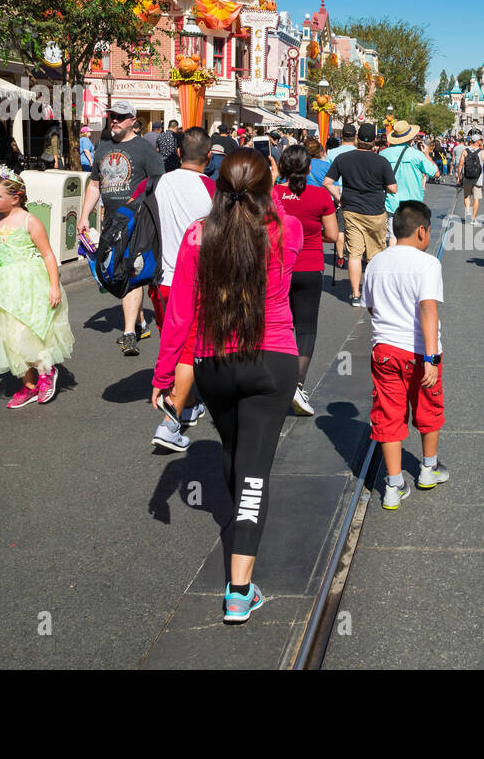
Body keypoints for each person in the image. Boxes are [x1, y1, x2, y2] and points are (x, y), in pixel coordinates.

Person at [152, 150, 303, 624]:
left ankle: (240, 521)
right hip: (272, 359)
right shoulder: (287, 230)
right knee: (256, 468)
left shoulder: (199, 235)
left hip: (213, 361)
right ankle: (239, 590)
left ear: (217, 187)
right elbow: (277, 232)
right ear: (264, 188)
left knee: (234, 448)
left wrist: (163, 380)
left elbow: (179, 314)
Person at [0, 166, 74, 409]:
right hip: (4, 288)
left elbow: (48, 255)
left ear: (16, 197)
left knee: (31, 332)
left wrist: (54, 286)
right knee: (11, 337)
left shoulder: (29, 221)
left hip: (30, 285)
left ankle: (46, 374)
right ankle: (29, 385)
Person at [362, 200, 446, 509]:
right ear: (422, 231)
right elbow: (428, 309)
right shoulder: (427, 264)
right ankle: (428, 469)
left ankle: (394, 485)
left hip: (384, 350)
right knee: (429, 408)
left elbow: (371, 307)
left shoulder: (377, 262)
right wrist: (432, 358)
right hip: (419, 352)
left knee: (388, 414)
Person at [147, 128, 216, 452]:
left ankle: (186, 402)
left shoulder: (159, 183)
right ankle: (171, 419)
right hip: (196, 280)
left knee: (172, 342)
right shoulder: (211, 189)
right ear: (209, 157)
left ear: (177, 153)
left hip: (161, 278)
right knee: (189, 348)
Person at [79, 100, 165, 355]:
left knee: (130, 272)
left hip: (137, 223)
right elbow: (95, 185)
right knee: (112, 272)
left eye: (120, 116)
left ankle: (129, 333)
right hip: (111, 222)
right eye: (111, 116)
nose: (114, 120)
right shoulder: (102, 147)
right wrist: (84, 215)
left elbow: (159, 185)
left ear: (132, 120)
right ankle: (139, 322)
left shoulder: (145, 149)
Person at [278, 145, 338, 417]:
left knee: (277, 326)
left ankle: (275, 379)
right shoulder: (320, 195)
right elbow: (334, 235)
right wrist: (312, 238)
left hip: (278, 269)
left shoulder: (273, 194)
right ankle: (297, 384)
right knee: (305, 329)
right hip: (310, 267)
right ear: (309, 167)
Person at [324, 122, 398, 307]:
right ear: (374, 141)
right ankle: (374, 293)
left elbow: (327, 182)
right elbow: (393, 189)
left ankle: (356, 294)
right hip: (375, 211)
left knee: (355, 254)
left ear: (357, 139)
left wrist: (338, 197)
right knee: (375, 254)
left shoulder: (343, 159)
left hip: (351, 210)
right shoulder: (381, 161)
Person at [381, 118, 439, 243]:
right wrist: (426, 153)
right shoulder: (417, 155)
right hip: (413, 204)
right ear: (410, 138)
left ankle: (393, 261)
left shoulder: (383, 154)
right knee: (411, 238)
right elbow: (435, 173)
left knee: (392, 236)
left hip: (391, 202)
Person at [325, 122, 360, 271]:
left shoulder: (332, 153)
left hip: (336, 193)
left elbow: (328, 176)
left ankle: (340, 257)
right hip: (355, 192)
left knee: (340, 227)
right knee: (354, 226)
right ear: (355, 137)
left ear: (341, 136)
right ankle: (353, 253)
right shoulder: (360, 153)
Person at [456, 133, 484, 223]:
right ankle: (473, 218)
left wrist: (458, 177)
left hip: (467, 177)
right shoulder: (483, 152)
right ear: (478, 141)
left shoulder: (465, 151)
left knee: (467, 196)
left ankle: (467, 211)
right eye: (481, 140)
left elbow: (460, 165)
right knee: (476, 198)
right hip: (478, 179)